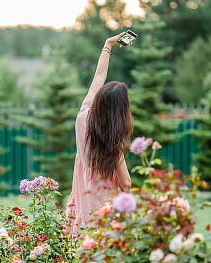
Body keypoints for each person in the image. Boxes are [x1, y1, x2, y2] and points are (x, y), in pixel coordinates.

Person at [65, 32, 133, 233]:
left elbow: (99, 77)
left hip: (82, 198)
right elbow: (126, 182)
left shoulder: (83, 115)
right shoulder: (112, 141)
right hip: (105, 206)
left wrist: (108, 45)